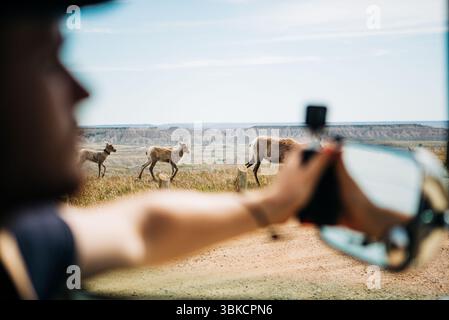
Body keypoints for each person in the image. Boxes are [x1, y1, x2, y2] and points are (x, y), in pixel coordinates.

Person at [0, 1, 408, 299]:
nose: (83, 90)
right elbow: (145, 226)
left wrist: (278, 201)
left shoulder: (21, 243)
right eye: (46, 59)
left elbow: (146, 224)